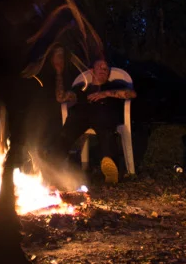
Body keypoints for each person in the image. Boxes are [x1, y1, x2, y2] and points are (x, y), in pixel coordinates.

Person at [55, 58, 135, 186]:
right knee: (67, 131)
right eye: (100, 68)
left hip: (103, 114)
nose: (104, 71)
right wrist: (59, 73)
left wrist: (106, 93)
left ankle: (110, 165)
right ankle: (54, 161)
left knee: (105, 128)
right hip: (82, 115)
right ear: (92, 71)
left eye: (106, 69)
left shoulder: (113, 85)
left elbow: (131, 94)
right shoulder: (82, 87)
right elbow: (61, 97)